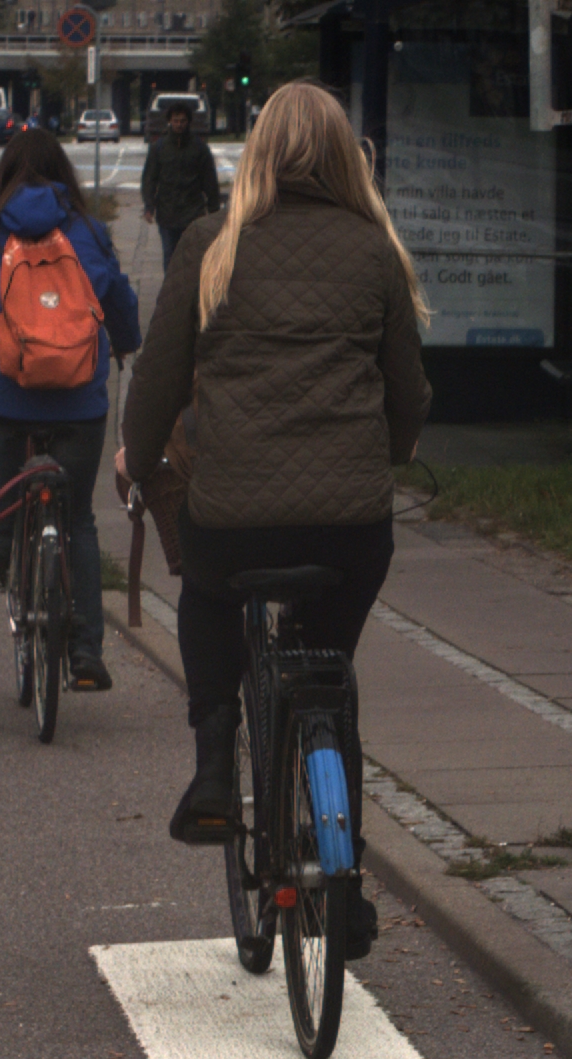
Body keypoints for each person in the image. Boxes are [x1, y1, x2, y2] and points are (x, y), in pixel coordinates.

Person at [117, 80, 432, 957]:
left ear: (256, 152)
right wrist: (389, 451)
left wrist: (136, 460)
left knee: (209, 594)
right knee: (331, 672)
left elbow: (159, 382)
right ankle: (347, 886)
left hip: (235, 520)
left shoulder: (211, 244)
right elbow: (408, 393)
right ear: (343, 155)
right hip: (350, 526)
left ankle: (216, 765)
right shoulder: (375, 249)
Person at [0, 129, 141, 692]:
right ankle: (87, 652)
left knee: (3, 430)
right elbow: (118, 297)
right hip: (79, 397)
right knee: (80, 520)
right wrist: (126, 341)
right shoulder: (88, 230)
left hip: (10, 391)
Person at [141, 101, 221, 271]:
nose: (179, 124)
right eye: (176, 121)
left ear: (188, 122)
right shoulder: (159, 148)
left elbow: (209, 181)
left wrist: (214, 209)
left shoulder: (199, 148)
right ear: (170, 121)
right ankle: (171, 287)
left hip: (193, 212)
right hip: (167, 212)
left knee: (191, 256)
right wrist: (149, 206)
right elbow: (150, 179)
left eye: (183, 121)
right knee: (169, 256)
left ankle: (189, 287)